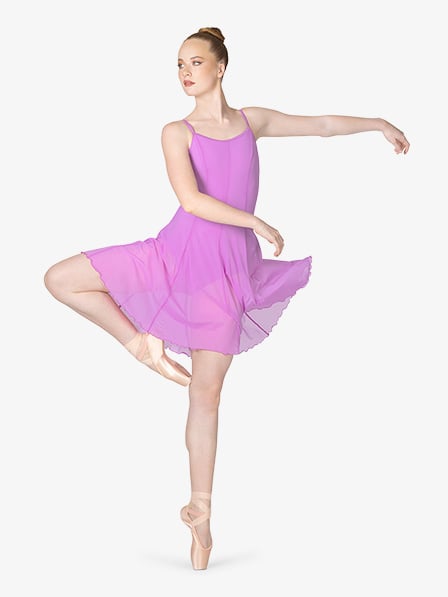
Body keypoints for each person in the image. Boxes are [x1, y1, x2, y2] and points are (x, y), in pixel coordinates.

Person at [43, 26, 410, 570]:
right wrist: (252, 221)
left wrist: (377, 123)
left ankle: (202, 514)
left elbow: (322, 126)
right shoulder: (176, 132)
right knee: (60, 278)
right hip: (173, 255)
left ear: (220, 67)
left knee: (207, 395)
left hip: (224, 277)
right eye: (179, 64)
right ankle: (142, 347)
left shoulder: (251, 121)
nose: (185, 72)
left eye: (194, 62)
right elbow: (191, 201)